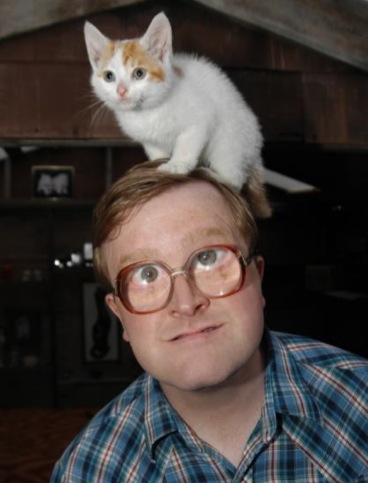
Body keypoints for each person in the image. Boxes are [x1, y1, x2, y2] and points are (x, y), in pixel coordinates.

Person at [51, 160, 368, 482]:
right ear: (119, 313)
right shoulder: (87, 471)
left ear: (257, 278)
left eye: (208, 258)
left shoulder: (361, 399)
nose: (186, 303)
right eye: (146, 274)